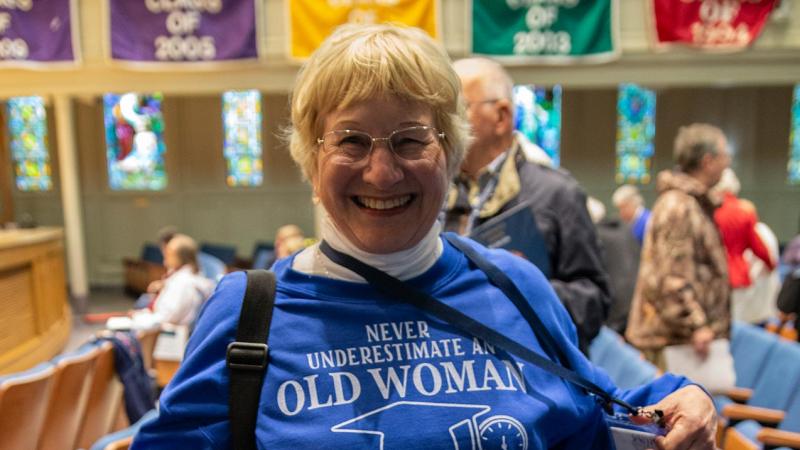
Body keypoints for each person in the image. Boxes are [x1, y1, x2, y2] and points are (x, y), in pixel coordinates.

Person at [132, 24, 716, 449]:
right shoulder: (247, 311)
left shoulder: (514, 286)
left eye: (411, 140)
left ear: (450, 155)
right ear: (312, 162)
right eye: (351, 141)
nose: (382, 173)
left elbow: (595, 412)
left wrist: (685, 396)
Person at [443, 57, 611, 353]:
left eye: (458, 109)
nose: (444, 123)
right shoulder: (435, 191)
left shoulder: (557, 193)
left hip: (535, 368)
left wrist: (516, 286)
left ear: (501, 116)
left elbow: (593, 304)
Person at [626, 123, 732, 369]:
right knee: (675, 407)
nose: (727, 163)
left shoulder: (691, 204)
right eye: (725, 156)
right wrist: (695, 325)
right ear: (708, 161)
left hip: (682, 340)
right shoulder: (679, 207)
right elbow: (671, 277)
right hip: (675, 341)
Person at [711, 168, 776, 323]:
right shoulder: (743, 212)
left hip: (711, 274)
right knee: (736, 324)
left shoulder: (707, 210)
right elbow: (758, 247)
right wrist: (770, 264)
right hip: (736, 275)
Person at [137, 233, 216, 326]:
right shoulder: (190, 276)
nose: (165, 256)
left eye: (169, 253)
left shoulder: (182, 283)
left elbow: (168, 317)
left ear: (180, 257)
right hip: (162, 323)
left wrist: (139, 318)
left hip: (166, 333)